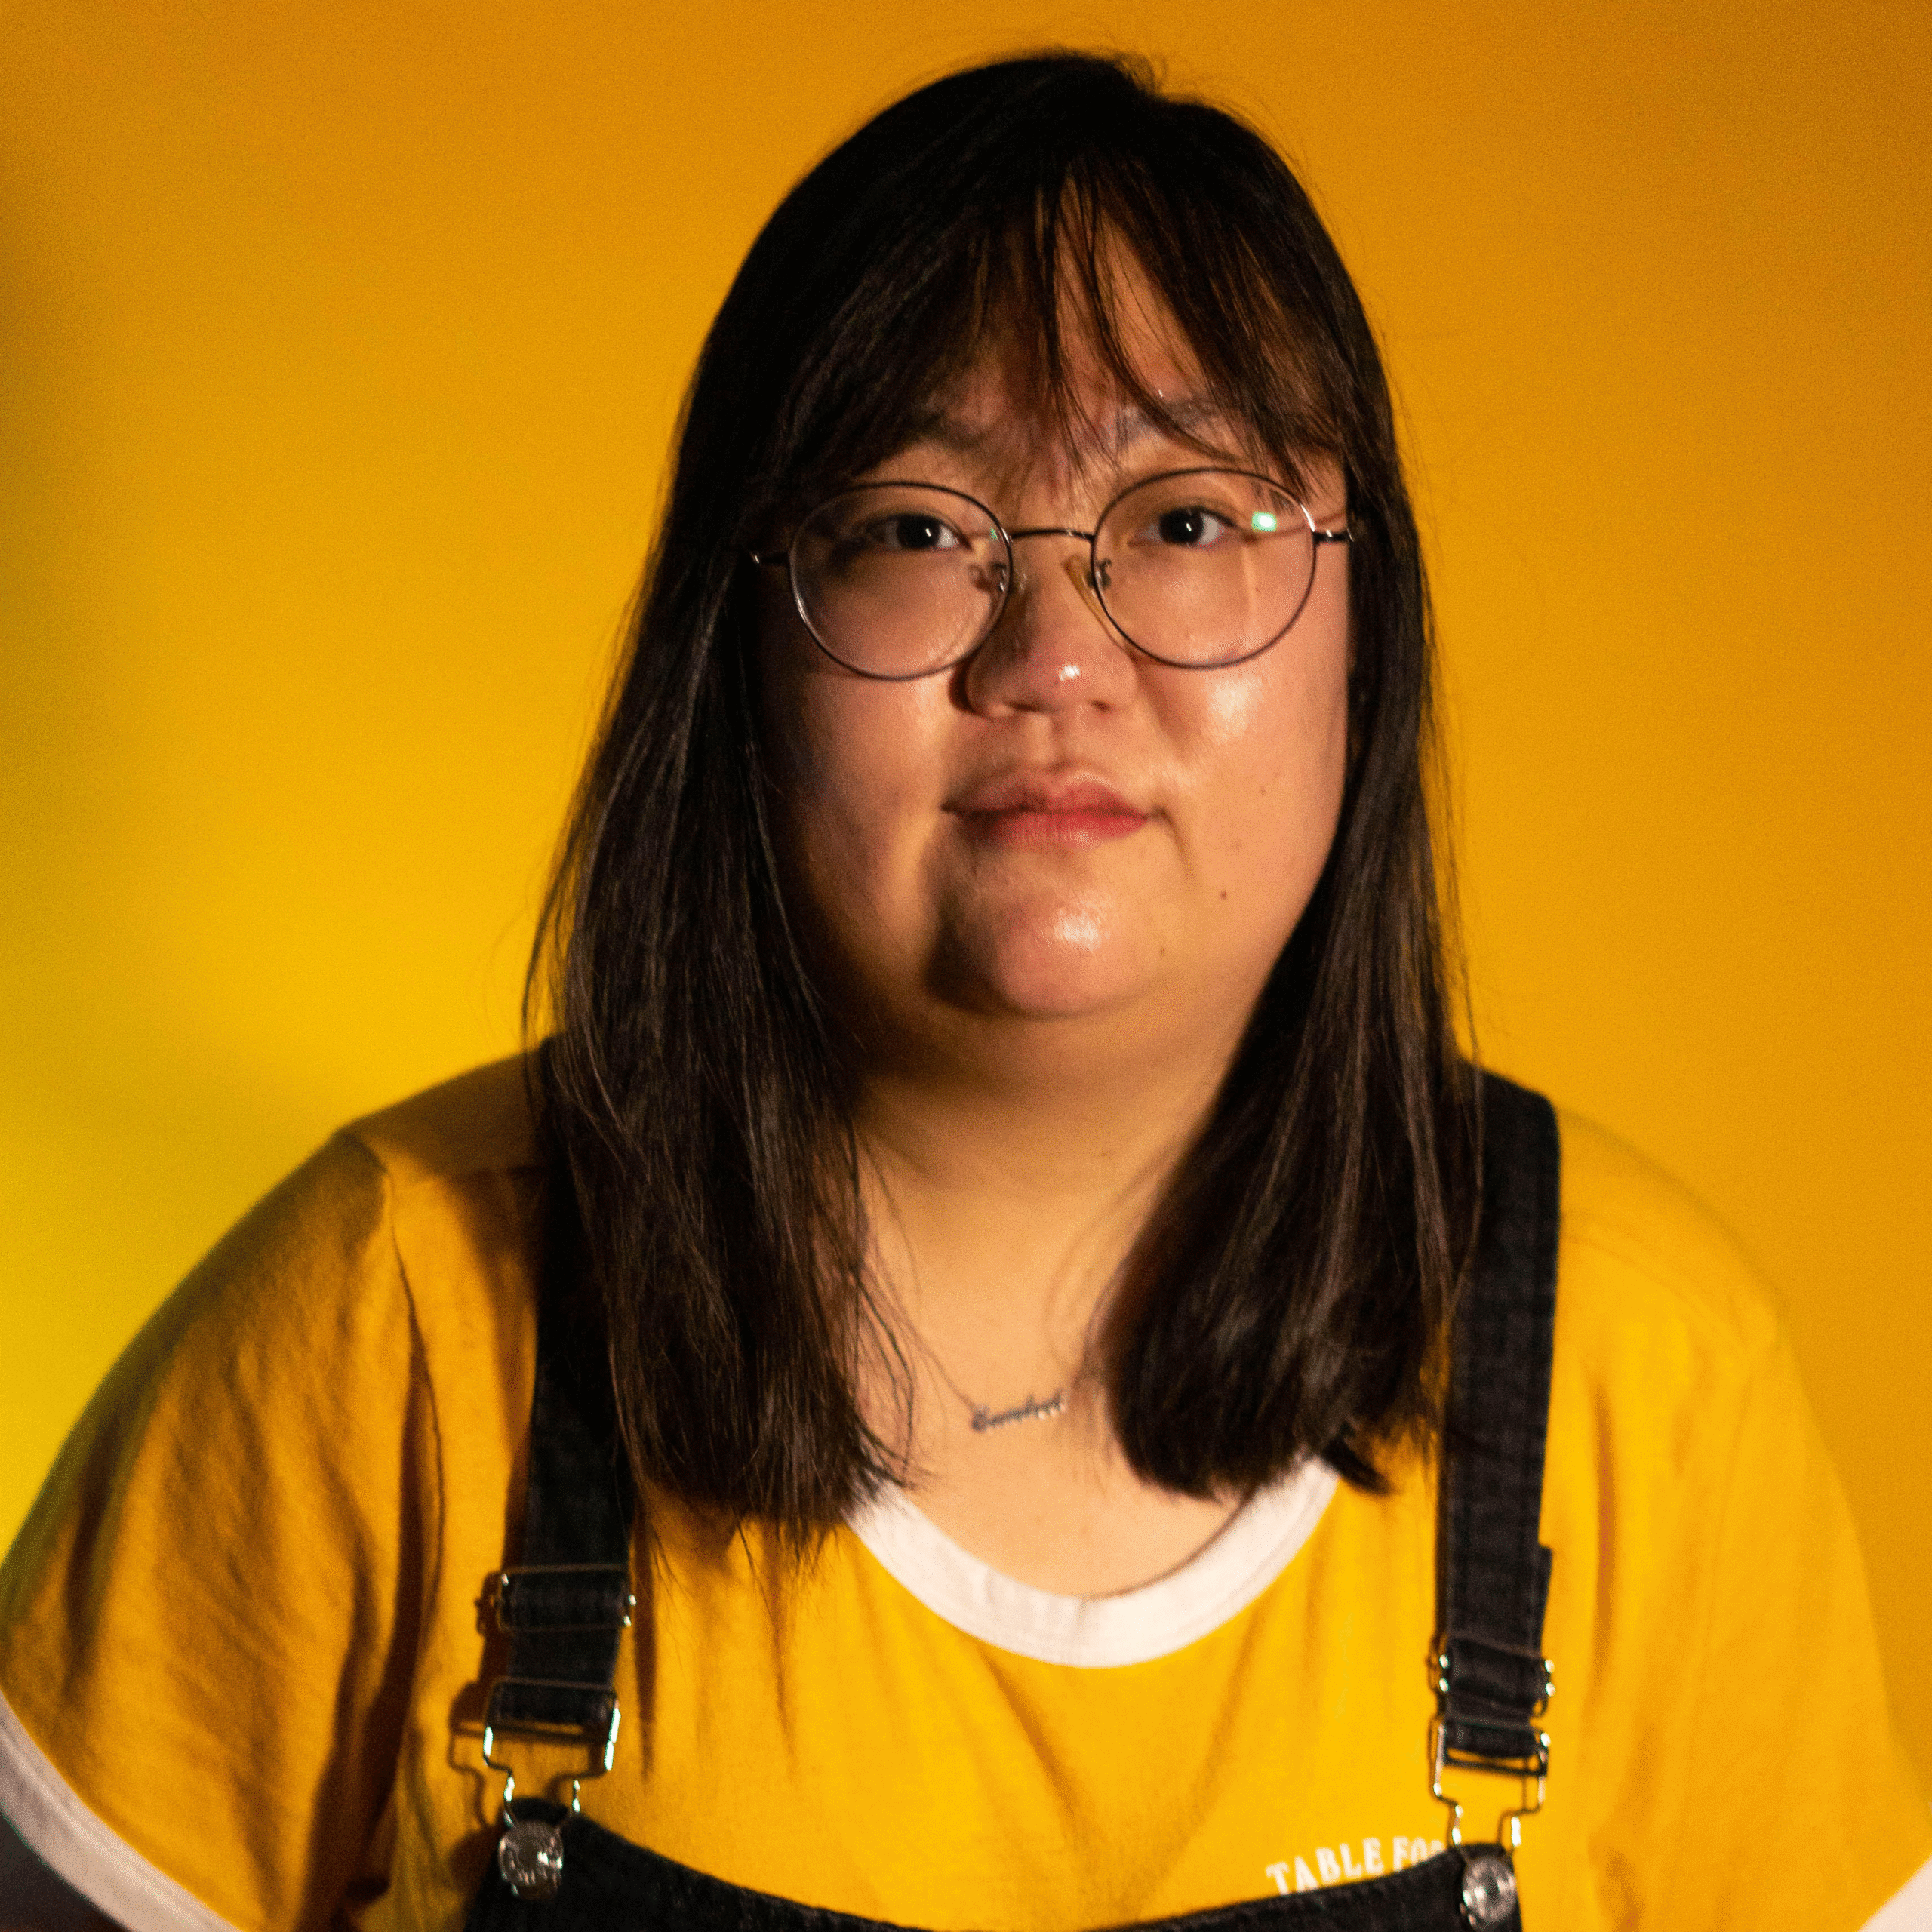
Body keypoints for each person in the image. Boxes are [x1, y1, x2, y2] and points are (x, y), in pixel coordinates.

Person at [1, 50, 1926, 1932]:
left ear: (1370, 629)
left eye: (1186, 519)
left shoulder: (1639, 1371)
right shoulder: (391, 1324)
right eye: (919, 528)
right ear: (735, 645)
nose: (1054, 656)